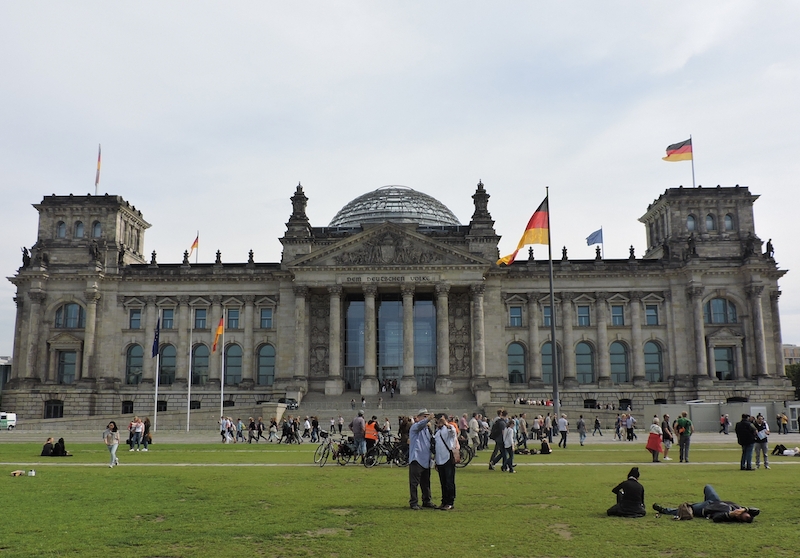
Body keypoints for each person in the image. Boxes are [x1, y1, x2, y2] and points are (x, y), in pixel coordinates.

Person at [653, 485, 759, 523]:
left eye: (742, 514)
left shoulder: (728, 516)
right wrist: (745, 509)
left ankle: (664, 510)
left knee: (686, 509)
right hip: (714, 501)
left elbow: (716, 519)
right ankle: (702, 502)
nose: (740, 511)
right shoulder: (741, 509)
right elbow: (757, 511)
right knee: (708, 487)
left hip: (705, 508)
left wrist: (731, 514)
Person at [408, 410, 436, 510]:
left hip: (426, 459)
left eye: (427, 417)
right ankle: (414, 502)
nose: (426, 419)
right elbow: (420, 425)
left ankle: (427, 500)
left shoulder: (427, 430)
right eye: (424, 416)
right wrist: (427, 419)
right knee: (414, 483)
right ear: (419, 417)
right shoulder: (415, 427)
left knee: (426, 482)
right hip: (416, 459)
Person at [434, 415, 457, 510]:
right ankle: (444, 501)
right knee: (443, 482)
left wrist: (446, 424)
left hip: (447, 458)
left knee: (449, 481)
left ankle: (450, 502)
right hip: (440, 459)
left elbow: (453, 433)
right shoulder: (437, 431)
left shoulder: (448, 429)